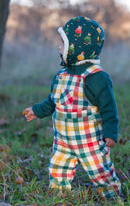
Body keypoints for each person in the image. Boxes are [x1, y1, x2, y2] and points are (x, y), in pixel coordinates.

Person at [23, 16, 122, 199]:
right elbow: (53, 101)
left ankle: (112, 197)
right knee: (58, 167)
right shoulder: (60, 75)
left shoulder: (96, 77)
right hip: (63, 140)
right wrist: (36, 110)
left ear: (78, 47)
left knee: (100, 170)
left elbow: (109, 107)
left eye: (63, 43)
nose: (59, 47)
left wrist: (111, 132)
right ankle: (60, 196)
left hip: (90, 141)